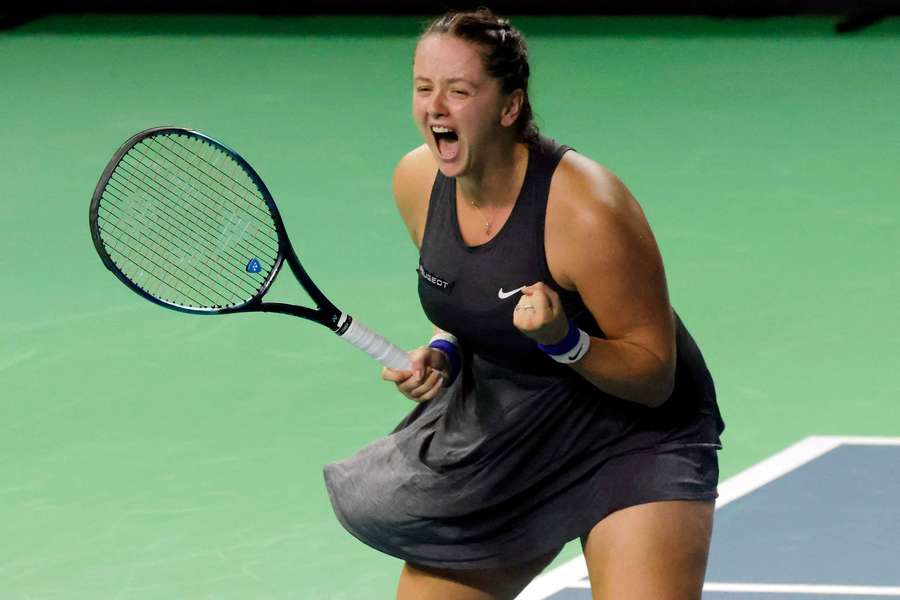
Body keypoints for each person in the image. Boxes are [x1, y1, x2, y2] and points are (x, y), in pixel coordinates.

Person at [323, 8, 725, 600]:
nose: (436, 108)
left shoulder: (586, 208)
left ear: (509, 107)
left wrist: (566, 340)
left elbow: (654, 377)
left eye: (459, 91)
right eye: (423, 88)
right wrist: (445, 350)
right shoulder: (417, 182)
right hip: (513, 435)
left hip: (632, 434)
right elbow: (471, 300)